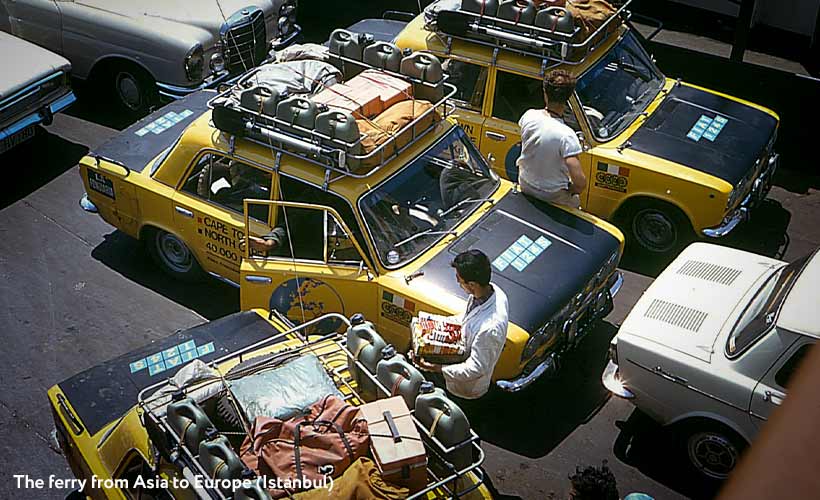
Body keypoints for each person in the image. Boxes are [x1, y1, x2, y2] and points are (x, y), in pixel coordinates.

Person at [412, 249, 509, 400]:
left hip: (465, 390)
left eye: (459, 279)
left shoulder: (490, 328)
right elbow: (466, 319)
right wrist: (434, 323)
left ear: (472, 284)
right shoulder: (487, 293)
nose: (457, 282)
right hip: (456, 362)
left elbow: (475, 368)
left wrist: (437, 368)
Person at [516, 69, 587, 209]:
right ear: (569, 97)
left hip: (525, 184)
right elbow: (580, 183)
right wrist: (572, 191)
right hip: (554, 195)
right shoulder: (567, 135)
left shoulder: (528, 116)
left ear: (545, 93)